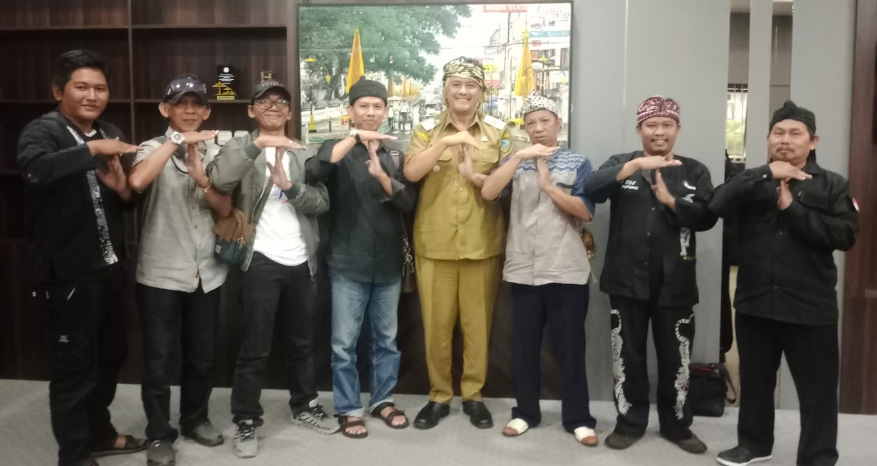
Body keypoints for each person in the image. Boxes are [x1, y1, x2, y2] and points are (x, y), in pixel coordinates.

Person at [17, 49, 146, 466]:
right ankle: (73, 455)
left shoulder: (108, 130)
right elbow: (36, 170)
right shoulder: (43, 130)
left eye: (100, 88)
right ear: (59, 91)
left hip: (110, 268)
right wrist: (92, 151)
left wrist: (122, 188)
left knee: (111, 357)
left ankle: (98, 433)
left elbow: (126, 201)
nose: (93, 95)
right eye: (82, 87)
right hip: (68, 275)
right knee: (74, 368)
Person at [711, 101, 858, 466]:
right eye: (778, 132)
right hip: (755, 300)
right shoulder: (752, 182)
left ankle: (818, 457)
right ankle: (754, 445)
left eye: (795, 133)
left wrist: (791, 208)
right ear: (767, 138)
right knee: (755, 382)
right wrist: (764, 173)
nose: (785, 140)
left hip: (810, 306)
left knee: (818, 390)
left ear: (813, 141)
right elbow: (716, 204)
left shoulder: (833, 185)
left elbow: (844, 235)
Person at [207, 80, 335, 459]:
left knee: (302, 342)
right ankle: (246, 418)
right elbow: (219, 181)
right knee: (255, 347)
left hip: (301, 259)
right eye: (265, 101)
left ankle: (304, 405)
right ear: (251, 110)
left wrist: (291, 187)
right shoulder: (239, 146)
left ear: (290, 112)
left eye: (281, 102)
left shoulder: (304, 152)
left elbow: (322, 203)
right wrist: (258, 146)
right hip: (258, 258)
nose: (274, 106)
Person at [581, 96, 717, 453]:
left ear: (677, 129)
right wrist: (636, 165)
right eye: (651, 125)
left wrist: (672, 202)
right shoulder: (622, 163)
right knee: (627, 356)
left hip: (677, 283)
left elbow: (707, 217)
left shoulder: (695, 171)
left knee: (676, 359)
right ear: (639, 129)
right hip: (627, 280)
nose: (659, 131)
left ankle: (677, 425)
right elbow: (591, 188)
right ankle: (630, 422)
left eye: (666, 125)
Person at [481, 92, 598, 446]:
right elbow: (488, 192)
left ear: (558, 123)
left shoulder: (578, 162)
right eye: (530, 123)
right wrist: (519, 157)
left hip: (566, 268)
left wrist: (548, 187)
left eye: (545, 120)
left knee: (571, 348)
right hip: (523, 268)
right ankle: (525, 413)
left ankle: (579, 418)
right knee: (524, 347)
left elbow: (585, 211)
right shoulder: (516, 162)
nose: (538, 128)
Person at [126, 74, 232, 466]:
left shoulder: (217, 150)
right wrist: (176, 141)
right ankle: (159, 434)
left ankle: (195, 419)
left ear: (206, 111)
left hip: (207, 272)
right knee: (158, 361)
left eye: (196, 104)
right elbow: (137, 181)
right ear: (164, 109)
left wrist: (202, 176)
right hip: (160, 271)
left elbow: (225, 208)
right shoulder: (151, 147)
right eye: (180, 103)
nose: (189, 110)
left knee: (202, 356)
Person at [404, 57, 512, 430]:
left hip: (482, 242)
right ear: (445, 90)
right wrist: (446, 142)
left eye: (471, 85)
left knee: (478, 327)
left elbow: (508, 184)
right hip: (434, 243)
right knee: (436, 327)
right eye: (456, 84)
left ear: (481, 92)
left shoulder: (499, 132)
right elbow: (412, 172)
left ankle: (473, 396)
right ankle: (439, 396)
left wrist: (477, 176)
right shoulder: (425, 130)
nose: (463, 91)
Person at [306, 79, 416, 439]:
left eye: (377, 106)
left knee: (386, 341)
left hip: (388, 263)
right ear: (350, 110)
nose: (370, 112)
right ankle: (349, 408)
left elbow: (407, 203)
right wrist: (355, 138)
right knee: (344, 344)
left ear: (386, 111)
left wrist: (382, 177)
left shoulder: (395, 155)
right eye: (363, 106)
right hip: (346, 261)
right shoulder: (335, 148)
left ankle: (383, 400)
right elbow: (315, 172)